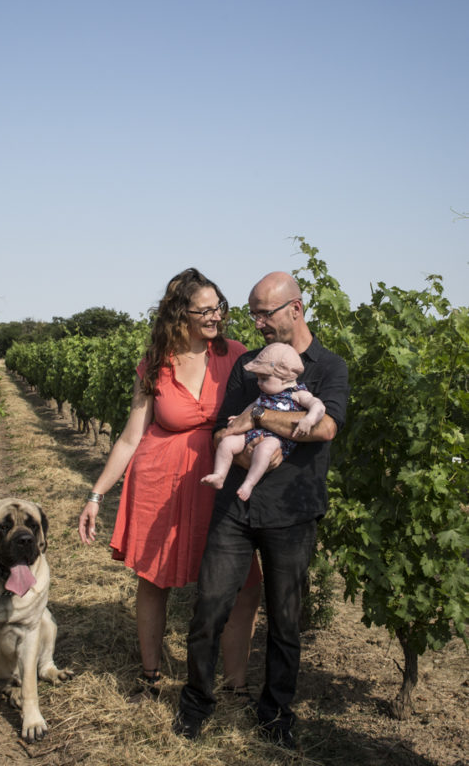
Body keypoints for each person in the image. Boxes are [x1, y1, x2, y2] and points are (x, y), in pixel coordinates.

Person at [175, 271, 349, 750]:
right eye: (251, 314)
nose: (256, 324)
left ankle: (276, 715)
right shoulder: (248, 365)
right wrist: (252, 444)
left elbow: (325, 427)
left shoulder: (328, 368)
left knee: (285, 620)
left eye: (264, 313)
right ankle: (196, 704)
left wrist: (259, 416)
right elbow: (220, 433)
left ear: (295, 308)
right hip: (235, 505)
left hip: (293, 514)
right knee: (209, 607)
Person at [78, 268, 262, 700]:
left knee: (243, 581)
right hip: (160, 481)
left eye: (220, 306)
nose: (217, 316)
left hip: (218, 480)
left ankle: (236, 683)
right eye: (206, 310)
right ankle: (151, 675)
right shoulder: (156, 364)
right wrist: (95, 494)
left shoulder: (236, 355)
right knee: (154, 578)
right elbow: (129, 437)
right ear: (180, 314)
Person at [201, 342, 325, 501]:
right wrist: (239, 418)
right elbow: (250, 409)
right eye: (258, 378)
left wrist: (309, 419)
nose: (259, 383)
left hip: (276, 438)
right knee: (227, 443)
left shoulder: (297, 394)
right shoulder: (264, 394)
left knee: (264, 450)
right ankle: (219, 475)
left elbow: (318, 406)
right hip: (252, 433)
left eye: (264, 378)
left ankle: (249, 483)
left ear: (285, 377)